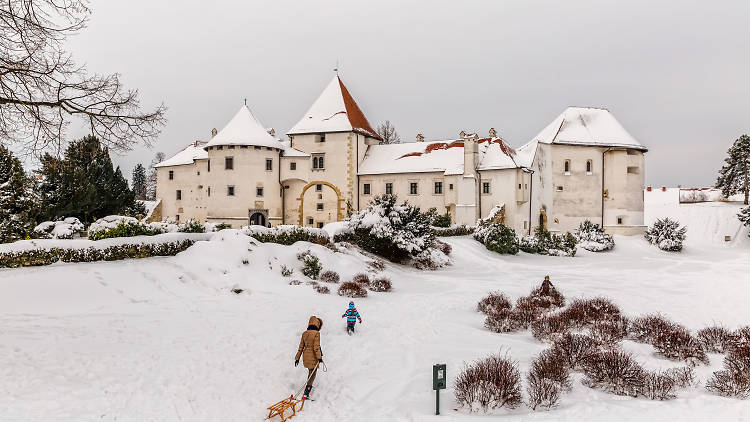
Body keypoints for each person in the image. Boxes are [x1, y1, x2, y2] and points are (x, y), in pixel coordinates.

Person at [295, 316, 323, 399]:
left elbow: (301, 347)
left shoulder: (305, 333)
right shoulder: (316, 333)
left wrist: (297, 358)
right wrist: (319, 357)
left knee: (310, 371)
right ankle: (306, 392)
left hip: (305, 356)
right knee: (313, 373)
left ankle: (308, 389)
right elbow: (316, 347)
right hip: (313, 356)